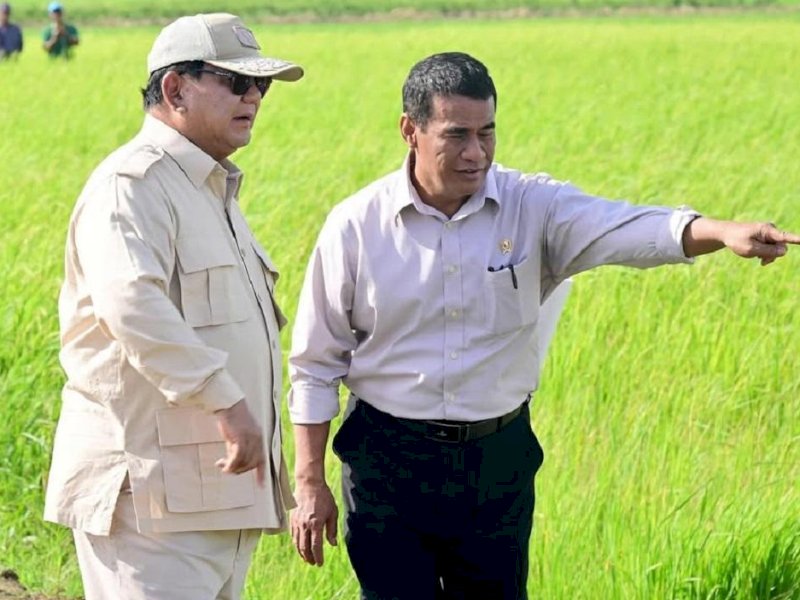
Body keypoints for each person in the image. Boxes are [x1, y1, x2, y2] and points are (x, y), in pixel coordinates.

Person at [287, 52, 800, 600]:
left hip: (496, 462)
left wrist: (720, 232)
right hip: (388, 461)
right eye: (457, 135)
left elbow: (623, 227)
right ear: (410, 131)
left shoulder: (532, 206)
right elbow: (316, 365)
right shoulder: (356, 226)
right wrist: (310, 482)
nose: (476, 152)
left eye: (487, 132)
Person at [43, 13, 303, 600]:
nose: (254, 97)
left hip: (212, 495)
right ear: (175, 88)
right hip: (148, 500)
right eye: (236, 82)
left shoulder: (209, 189)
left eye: (261, 85)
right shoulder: (132, 185)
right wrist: (226, 400)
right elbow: (131, 304)